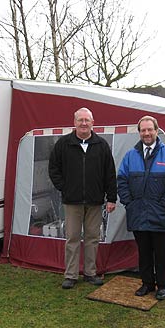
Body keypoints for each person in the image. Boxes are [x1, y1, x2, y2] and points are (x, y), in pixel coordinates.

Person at [117, 115, 165, 300]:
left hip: (161, 215)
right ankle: (147, 283)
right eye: (143, 130)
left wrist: (164, 205)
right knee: (144, 252)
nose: (146, 133)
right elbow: (122, 180)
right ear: (139, 133)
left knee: (162, 254)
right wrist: (129, 203)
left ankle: (162, 285)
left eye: (149, 129)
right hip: (138, 214)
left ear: (156, 130)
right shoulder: (131, 156)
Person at [49, 107, 117, 289]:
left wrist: (111, 198)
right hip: (72, 202)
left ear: (93, 123)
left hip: (95, 201)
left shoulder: (101, 146)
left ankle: (90, 273)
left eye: (87, 120)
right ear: (74, 122)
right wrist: (65, 188)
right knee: (72, 237)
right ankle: (70, 275)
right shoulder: (63, 144)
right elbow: (53, 169)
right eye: (81, 120)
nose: (84, 123)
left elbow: (110, 173)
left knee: (92, 238)